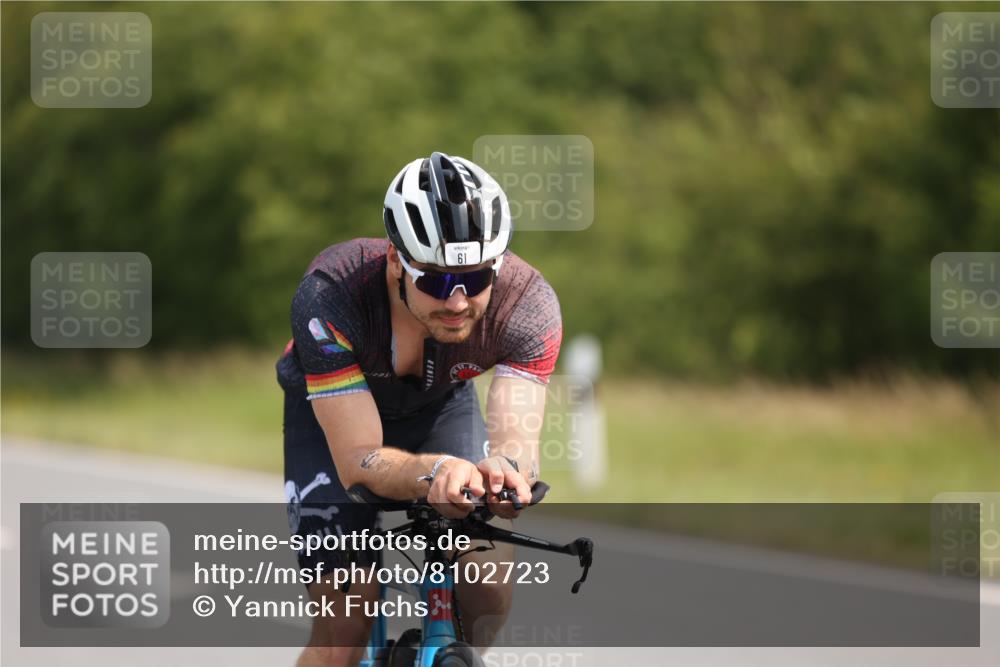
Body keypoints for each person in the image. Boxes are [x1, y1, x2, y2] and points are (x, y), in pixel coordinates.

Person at [276, 151, 563, 666]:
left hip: (440, 408)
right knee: (344, 629)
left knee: (487, 587)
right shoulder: (331, 295)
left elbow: (517, 445)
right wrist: (435, 471)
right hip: (332, 420)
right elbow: (357, 459)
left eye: (476, 278)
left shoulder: (527, 306)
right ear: (395, 260)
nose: (457, 302)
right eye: (435, 281)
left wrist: (506, 473)